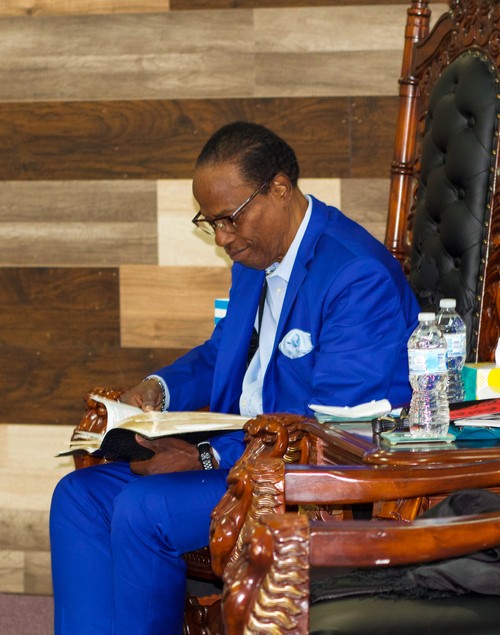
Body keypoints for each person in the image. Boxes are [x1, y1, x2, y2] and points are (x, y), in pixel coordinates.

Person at [50, 121, 420, 634]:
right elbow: (221, 352)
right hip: (237, 455)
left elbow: (333, 435)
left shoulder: (355, 275)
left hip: (300, 480)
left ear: (279, 188)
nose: (223, 238)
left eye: (230, 218)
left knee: (142, 508)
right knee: (79, 497)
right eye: (211, 223)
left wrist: (204, 456)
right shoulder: (254, 257)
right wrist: (157, 390)